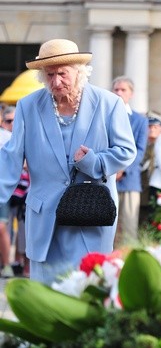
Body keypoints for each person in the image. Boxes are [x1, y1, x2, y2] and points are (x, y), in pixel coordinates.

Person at [0, 39, 136, 285]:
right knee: (46, 294)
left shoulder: (109, 104)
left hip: (91, 213)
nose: (56, 81)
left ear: (80, 72)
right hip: (44, 216)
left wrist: (93, 161)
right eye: (49, 75)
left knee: (89, 288)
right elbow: (10, 159)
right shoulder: (28, 107)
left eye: (62, 74)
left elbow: (126, 151)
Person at [112, 76, 148, 244]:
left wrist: (123, 169)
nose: (119, 93)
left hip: (129, 180)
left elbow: (140, 150)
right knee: (107, 229)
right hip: (106, 179)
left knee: (128, 229)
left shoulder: (140, 121)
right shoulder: (104, 117)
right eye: (116, 89)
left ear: (131, 94)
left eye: (123, 89)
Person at [139, 112, 161, 225]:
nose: (152, 130)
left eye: (155, 127)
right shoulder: (144, 144)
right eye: (149, 127)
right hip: (143, 187)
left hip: (159, 185)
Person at [0, 107, 14, 277]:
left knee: (1, 227)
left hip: (3, 189)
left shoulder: (9, 137)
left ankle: (7, 264)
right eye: (9, 121)